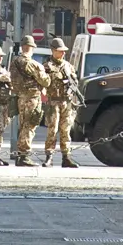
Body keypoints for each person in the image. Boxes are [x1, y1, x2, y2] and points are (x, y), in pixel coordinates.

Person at [9, 35, 50, 166]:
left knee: (23, 126)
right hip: (32, 99)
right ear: (31, 48)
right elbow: (46, 81)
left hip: (20, 97)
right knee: (29, 126)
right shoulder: (33, 64)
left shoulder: (14, 62)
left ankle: (21, 156)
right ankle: (24, 156)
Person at [43, 37, 80, 168]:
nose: (63, 53)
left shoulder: (69, 66)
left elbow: (75, 82)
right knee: (52, 130)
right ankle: (49, 156)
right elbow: (43, 83)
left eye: (64, 51)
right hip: (53, 102)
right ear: (53, 51)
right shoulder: (47, 67)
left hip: (67, 102)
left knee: (66, 130)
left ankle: (66, 157)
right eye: (60, 51)